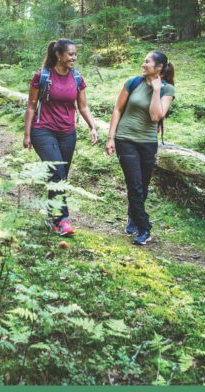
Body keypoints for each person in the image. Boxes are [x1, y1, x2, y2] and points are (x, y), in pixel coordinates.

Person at [24, 38, 98, 235]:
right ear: (59, 55)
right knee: (57, 171)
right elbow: (31, 106)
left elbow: (83, 106)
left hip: (67, 133)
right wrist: (27, 134)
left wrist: (93, 127)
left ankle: (52, 214)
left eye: (75, 54)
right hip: (43, 130)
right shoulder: (42, 76)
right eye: (70, 54)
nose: (74, 57)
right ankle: (62, 219)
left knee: (60, 175)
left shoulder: (77, 78)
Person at [106, 50, 175, 246]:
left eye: (147, 62)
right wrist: (111, 138)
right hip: (125, 139)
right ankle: (144, 228)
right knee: (134, 185)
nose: (143, 64)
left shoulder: (167, 90)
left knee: (142, 186)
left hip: (148, 142)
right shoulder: (133, 82)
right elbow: (117, 109)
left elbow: (156, 116)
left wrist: (155, 89)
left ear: (159, 67)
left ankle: (133, 217)